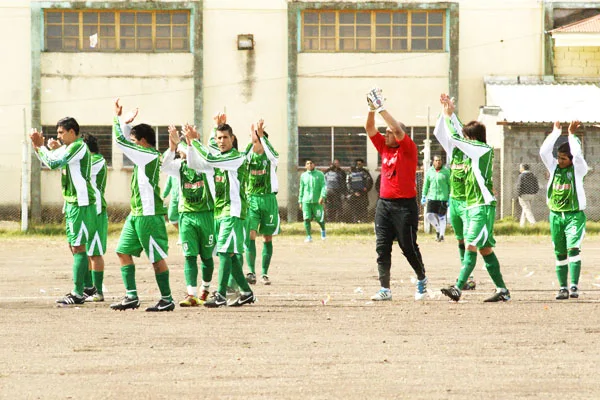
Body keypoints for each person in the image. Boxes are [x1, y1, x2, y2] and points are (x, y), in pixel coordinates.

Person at [437, 94, 510, 303]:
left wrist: (447, 115)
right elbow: (460, 133)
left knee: (471, 246)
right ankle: (503, 290)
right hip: (473, 205)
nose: (464, 140)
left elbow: (456, 137)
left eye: (468, 137)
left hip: (481, 206)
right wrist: (451, 113)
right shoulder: (474, 149)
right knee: (486, 249)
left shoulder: (481, 149)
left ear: (474, 139)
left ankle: (458, 287)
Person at [109, 99, 175, 312]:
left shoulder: (147, 155)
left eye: (135, 141)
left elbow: (121, 142)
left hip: (148, 215)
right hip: (136, 213)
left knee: (156, 259)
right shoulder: (145, 155)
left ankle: (167, 299)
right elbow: (126, 140)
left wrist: (117, 119)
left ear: (144, 141)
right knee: (122, 251)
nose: (132, 145)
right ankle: (131, 297)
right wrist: (126, 125)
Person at [365, 87, 427, 301]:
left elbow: (398, 131)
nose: (386, 134)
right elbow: (370, 128)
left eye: (389, 132)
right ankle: (385, 289)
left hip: (404, 206)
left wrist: (382, 107)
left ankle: (421, 278)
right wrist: (372, 109)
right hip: (384, 205)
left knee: (408, 247)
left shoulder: (407, 148)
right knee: (382, 247)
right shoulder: (384, 147)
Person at [184, 122, 256, 308]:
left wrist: (196, 140)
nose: (221, 141)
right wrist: (190, 145)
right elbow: (194, 163)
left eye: (225, 137)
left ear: (232, 139)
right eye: (218, 138)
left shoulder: (236, 158)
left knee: (224, 252)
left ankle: (221, 294)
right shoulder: (218, 159)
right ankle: (246, 293)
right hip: (219, 213)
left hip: (232, 212)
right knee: (229, 255)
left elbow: (210, 158)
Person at [30, 117, 97, 305]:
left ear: (72, 132)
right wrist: (39, 148)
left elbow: (53, 163)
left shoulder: (77, 146)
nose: (58, 136)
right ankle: (88, 286)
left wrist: (41, 147)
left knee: (78, 246)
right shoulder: (68, 148)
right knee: (74, 246)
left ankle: (77, 293)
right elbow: (53, 159)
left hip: (81, 203)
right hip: (72, 203)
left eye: (61, 132)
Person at [161, 126, 216, 307]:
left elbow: (198, 158)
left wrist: (190, 143)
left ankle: (205, 288)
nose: (182, 151)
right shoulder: (180, 167)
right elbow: (165, 166)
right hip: (187, 216)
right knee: (189, 256)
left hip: (206, 216)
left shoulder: (206, 166)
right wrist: (171, 146)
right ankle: (191, 293)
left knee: (206, 257)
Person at [540, 121, 588, 300]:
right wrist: (555, 133)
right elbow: (543, 152)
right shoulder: (553, 168)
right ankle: (563, 288)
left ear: (571, 160)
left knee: (573, 249)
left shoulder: (578, 170)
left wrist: (571, 134)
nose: (559, 161)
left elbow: (577, 155)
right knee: (560, 253)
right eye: (558, 157)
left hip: (573, 216)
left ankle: (574, 286)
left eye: (563, 159)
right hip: (555, 216)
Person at [243, 119, 280, 286]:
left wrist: (262, 136)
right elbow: (242, 156)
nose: (254, 143)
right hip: (252, 199)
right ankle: (251, 271)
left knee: (267, 237)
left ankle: (264, 273)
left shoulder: (271, 159)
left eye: (257, 141)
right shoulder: (248, 157)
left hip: (268, 199)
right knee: (250, 234)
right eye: (253, 140)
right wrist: (253, 135)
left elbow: (274, 154)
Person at [82, 134, 108, 302]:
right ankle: (89, 288)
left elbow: (80, 169)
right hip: (84, 210)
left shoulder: (97, 160)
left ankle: (98, 291)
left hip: (96, 210)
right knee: (83, 251)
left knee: (95, 252)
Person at [421, 155, 451, 242]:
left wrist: (449, 197)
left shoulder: (446, 172)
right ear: (433, 162)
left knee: (442, 217)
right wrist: (423, 195)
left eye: (440, 160)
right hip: (432, 197)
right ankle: (438, 229)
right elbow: (426, 185)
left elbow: (450, 185)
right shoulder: (430, 172)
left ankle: (441, 235)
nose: (438, 162)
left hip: (443, 198)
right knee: (429, 215)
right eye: (436, 160)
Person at [299, 159, 327, 242]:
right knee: (306, 218)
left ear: (314, 164)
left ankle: (323, 231)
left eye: (311, 163)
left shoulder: (320, 174)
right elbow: (301, 188)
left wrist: (322, 196)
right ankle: (308, 236)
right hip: (306, 201)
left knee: (319, 219)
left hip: (317, 201)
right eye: (307, 163)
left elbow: (323, 186)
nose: (309, 165)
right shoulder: (303, 176)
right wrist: (300, 200)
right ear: (305, 166)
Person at [346, 158, 373, 223]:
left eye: (360, 164)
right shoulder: (351, 172)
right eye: (357, 164)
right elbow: (348, 183)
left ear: (363, 164)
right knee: (354, 208)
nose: (359, 165)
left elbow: (370, 182)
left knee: (364, 207)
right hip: (354, 194)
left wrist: (366, 189)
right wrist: (353, 192)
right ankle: (355, 221)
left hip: (363, 194)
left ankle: (364, 221)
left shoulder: (365, 172)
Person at [516, 163, 539, 227]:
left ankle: (533, 223)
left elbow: (519, 186)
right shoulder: (533, 175)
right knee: (525, 209)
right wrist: (534, 192)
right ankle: (522, 225)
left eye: (520, 168)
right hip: (531, 195)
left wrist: (519, 194)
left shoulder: (521, 176)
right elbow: (536, 186)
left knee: (527, 209)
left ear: (523, 168)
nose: (519, 169)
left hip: (523, 195)